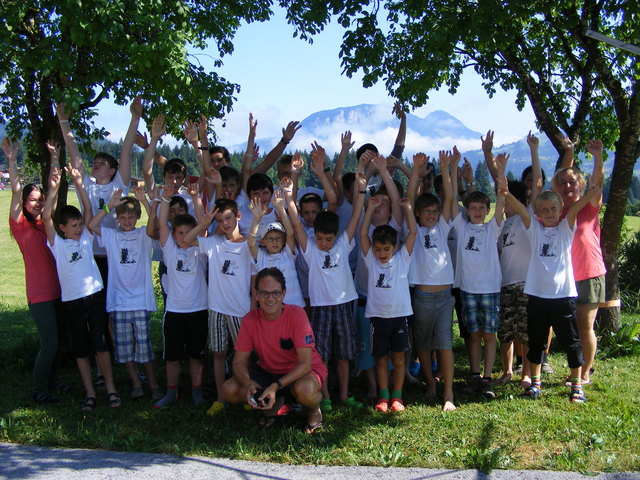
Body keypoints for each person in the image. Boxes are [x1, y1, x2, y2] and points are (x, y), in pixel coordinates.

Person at [501, 175, 600, 403]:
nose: (548, 212)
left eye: (553, 208)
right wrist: (506, 195)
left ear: (560, 209)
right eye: (544, 209)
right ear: (538, 213)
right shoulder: (534, 229)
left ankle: (576, 385)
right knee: (536, 343)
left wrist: (589, 196)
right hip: (537, 297)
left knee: (571, 343)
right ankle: (535, 382)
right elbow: (523, 213)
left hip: (563, 297)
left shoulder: (566, 228)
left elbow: (575, 209)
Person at [286, 167, 367, 410]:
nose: (323, 243)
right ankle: (326, 396)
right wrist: (289, 196)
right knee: (321, 355)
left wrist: (361, 188)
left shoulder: (343, 245)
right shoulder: (309, 249)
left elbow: (354, 217)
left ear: (336, 236)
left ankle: (343, 394)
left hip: (343, 306)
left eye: (328, 239)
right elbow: (297, 224)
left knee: (343, 355)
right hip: (320, 308)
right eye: (320, 238)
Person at [43, 163, 120, 411]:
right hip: (73, 302)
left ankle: (110, 389)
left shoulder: (86, 236)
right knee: (81, 349)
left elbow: (89, 208)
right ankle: (89, 392)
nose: (79, 229)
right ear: (62, 228)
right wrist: (54, 188)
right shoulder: (57, 244)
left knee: (100, 345)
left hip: (95, 297)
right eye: (74, 226)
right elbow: (46, 217)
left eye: (79, 225)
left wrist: (79, 183)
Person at [222, 268, 326, 433]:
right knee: (229, 389)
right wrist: (248, 383)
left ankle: (314, 410)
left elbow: (305, 364)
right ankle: (279, 400)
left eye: (275, 293)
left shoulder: (297, 314)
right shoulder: (250, 319)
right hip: (268, 371)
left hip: (302, 371)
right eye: (264, 293)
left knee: (305, 391)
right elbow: (239, 361)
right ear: (256, 295)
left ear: (284, 294)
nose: (270, 298)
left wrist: (275, 386)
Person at [183, 198, 257, 416]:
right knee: (218, 354)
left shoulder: (249, 244)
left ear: (238, 216)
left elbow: (254, 282)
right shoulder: (213, 242)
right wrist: (203, 224)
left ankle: (247, 393)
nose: (225, 223)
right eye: (220, 220)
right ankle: (220, 398)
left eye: (228, 217)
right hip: (216, 309)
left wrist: (252, 311)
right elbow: (186, 241)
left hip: (241, 311)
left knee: (244, 357)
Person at [4, 138, 64, 404]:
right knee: (49, 343)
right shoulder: (21, 227)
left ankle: (52, 380)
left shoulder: (45, 222)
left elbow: (53, 188)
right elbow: (16, 192)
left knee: (58, 341)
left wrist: (54, 158)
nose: (37, 204)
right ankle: (39, 390)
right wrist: (13, 160)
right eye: (32, 200)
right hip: (39, 295)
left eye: (39, 200)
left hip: (60, 290)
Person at [88, 190, 162, 401]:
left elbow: (155, 228)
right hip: (118, 301)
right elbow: (92, 226)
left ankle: (154, 383)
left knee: (144, 347)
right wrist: (108, 207)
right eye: (122, 217)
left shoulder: (142, 235)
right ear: (117, 218)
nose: (127, 220)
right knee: (125, 348)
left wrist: (145, 202)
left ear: (138, 217)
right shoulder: (112, 236)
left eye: (131, 216)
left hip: (140, 300)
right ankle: (136, 382)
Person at [451, 151, 505, 399]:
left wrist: (500, 172)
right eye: (472, 207)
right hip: (468, 289)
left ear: (487, 210)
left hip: (490, 288)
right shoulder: (461, 226)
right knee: (473, 335)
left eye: (481, 207)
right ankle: (474, 376)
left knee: (489, 335)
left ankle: (487, 378)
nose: (476, 210)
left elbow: (502, 200)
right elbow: (452, 199)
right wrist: (453, 170)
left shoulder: (493, 228)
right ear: (467, 209)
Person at [406, 151, 457, 411]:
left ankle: (448, 393)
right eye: (427, 211)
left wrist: (446, 169)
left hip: (445, 297)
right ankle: (431, 384)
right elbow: (410, 197)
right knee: (423, 344)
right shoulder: (412, 230)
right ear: (417, 213)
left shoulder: (443, 226)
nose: (432, 215)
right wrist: (415, 170)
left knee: (445, 344)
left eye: (435, 211)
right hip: (423, 297)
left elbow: (449, 197)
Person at [555, 138, 606, 384]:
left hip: (589, 273)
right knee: (571, 329)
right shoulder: (556, 210)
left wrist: (597, 156)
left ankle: (585, 373)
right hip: (564, 277)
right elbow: (562, 173)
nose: (567, 186)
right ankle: (579, 367)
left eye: (573, 182)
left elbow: (597, 183)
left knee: (585, 326)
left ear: (581, 185)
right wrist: (569, 152)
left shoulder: (589, 206)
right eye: (563, 184)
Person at [360, 193, 417, 413]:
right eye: (378, 249)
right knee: (381, 361)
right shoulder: (371, 260)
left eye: (386, 249)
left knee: (399, 360)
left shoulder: (403, 258)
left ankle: (397, 397)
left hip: (399, 317)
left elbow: (412, 232)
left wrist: (408, 209)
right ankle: (383, 397)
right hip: (378, 318)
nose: (382, 253)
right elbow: (364, 233)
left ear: (394, 247)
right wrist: (369, 210)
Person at [152, 185, 209, 408]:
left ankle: (196, 391)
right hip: (175, 310)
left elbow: (202, 224)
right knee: (172, 356)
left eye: (188, 232)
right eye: (179, 233)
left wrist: (195, 198)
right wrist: (165, 198)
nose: (184, 237)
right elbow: (163, 224)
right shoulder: (168, 248)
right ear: (173, 235)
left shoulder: (200, 249)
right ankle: (171, 392)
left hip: (198, 309)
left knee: (196, 355)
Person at [247, 191, 305, 309]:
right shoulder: (262, 258)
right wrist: (257, 219)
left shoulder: (288, 254)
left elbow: (290, 233)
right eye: (270, 239)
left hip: (296, 307)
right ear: (263, 241)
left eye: (278, 238)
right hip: (272, 310)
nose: (275, 242)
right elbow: (251, 243)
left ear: (283, 241)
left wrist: (281, 209)